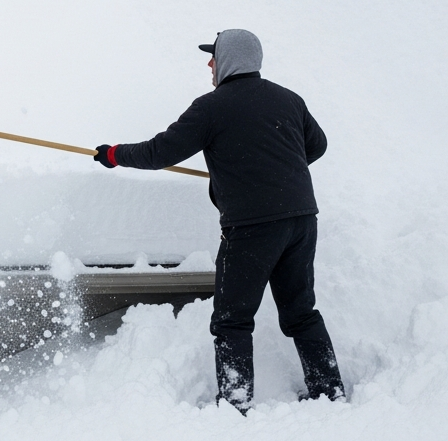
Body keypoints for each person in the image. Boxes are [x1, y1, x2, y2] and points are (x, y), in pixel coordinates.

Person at [92, 29, 345, 411]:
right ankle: (329, 390)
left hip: (252, 228)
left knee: (232, 319)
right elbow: (318, 145)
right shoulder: (288, 99)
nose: (209, 64)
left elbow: (161, 151)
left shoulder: (212, 107)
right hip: (301, 220)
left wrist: (113, 154)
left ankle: (235, 401)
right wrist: (275, 170)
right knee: (301, 312)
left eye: (214, 56)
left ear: (229, 60)